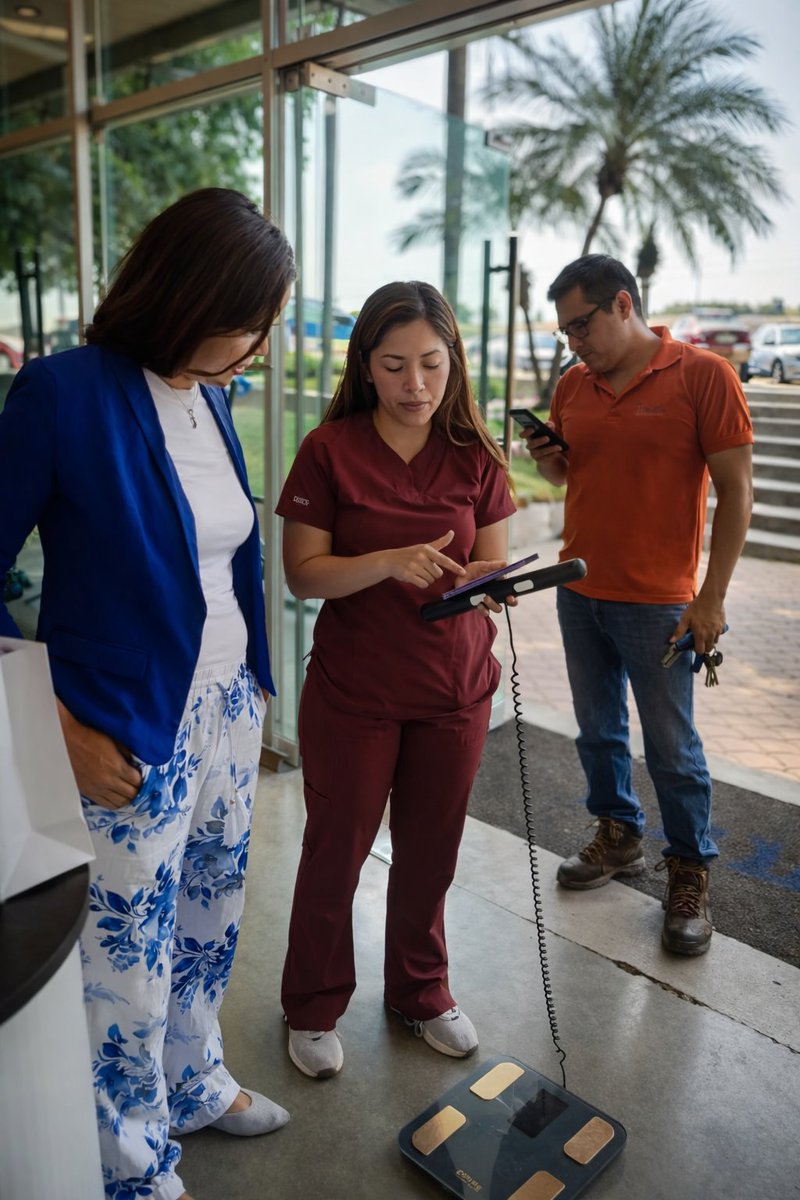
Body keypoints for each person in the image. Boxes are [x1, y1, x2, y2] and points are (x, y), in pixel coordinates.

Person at [0, 188, 296, 1200]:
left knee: (210, 922)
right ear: (191, 294)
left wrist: (251, 693)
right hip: (123, 727)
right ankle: (128, 1167)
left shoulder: (209, 399)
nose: (260, 342)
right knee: (123, 963)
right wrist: (56, 724)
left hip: (223, 713)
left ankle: (193, 1083)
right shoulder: (62, 393)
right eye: (250, 319)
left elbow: (214, 561)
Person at [275, 280, 516, 1078]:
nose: (417, 385)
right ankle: (311, 1005)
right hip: (356, 694)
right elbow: (304, 576)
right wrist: (385, 562)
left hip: (455, 692)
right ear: (366, 368)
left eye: (433, 364)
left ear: (454, 363)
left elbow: (492, 561)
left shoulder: (478, 455)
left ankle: (421, 991)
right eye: (396, 365)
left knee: (431, 853)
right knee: (335, 852)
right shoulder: (330, 450)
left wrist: (496, 581)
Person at [522, 254, 753, 957]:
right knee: (597, 731)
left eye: (581, 325)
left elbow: (737, 492)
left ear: (623, 304)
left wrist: (710, 599)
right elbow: (571, 473)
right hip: (579, 587)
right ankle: (619, 836)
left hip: (659, 602)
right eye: (564, 332)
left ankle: (688, 871)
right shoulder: (572, 385)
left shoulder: (704, 376)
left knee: (672, 747)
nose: (574, 343)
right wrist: (546, 458)